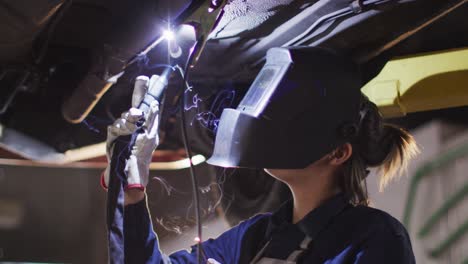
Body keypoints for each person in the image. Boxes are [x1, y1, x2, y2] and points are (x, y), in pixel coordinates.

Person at [102, 47, 419, 263]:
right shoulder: (255, 236)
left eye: (294, 122)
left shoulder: (373, 236)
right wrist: (131, 194)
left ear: (338, 152)